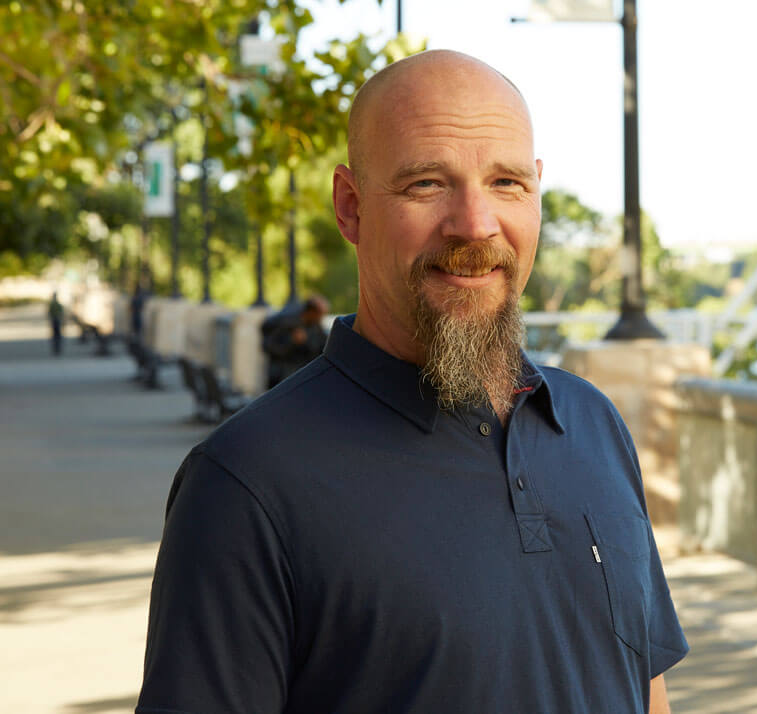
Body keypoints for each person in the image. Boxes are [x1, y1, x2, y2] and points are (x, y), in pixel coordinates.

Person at [137, 50, 687, 714]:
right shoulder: (245, 485)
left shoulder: (594, 424)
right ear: (351, 207)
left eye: (506, 182)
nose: (476, 224)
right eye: (427, 184)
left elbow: (646, 692)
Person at [261, 295, 330, 387]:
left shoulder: (316, 327)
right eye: (320, 315)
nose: (321, 318)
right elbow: (269, 347)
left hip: (304, 374)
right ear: (311, 312)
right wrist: (291, 340)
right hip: (283, 375)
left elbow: (320, 348)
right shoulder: (287, 323)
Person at [47, 291, 63, 356]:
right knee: (57, 335)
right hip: (57, 320)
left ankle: (56, 348)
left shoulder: (53, 304)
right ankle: (57, 348)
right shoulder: (57, 304)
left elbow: (49, 313)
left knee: (55, 335)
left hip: (55, 320)